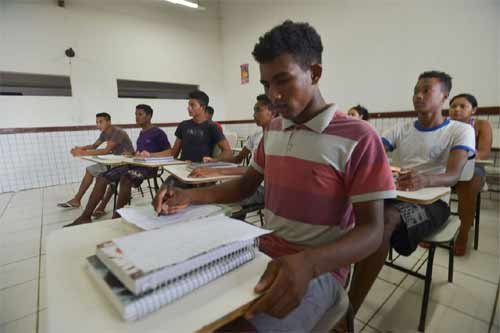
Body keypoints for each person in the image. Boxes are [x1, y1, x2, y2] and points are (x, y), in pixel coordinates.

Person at [154, 20, 395, 332]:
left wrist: (311, 262)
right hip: (263, 251)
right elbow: (245, 185)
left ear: (315, 73)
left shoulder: (358, 137)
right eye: (266, 85)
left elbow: (373, 231)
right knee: (193, 312)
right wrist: (191, 194)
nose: (274, 95)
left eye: (283, 81)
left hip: (320, 268)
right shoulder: (275, 130)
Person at [347, 71, 476, 321]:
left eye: (427, 90)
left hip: (435, 203)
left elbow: (452, 176)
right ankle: (337, 292)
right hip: (398, 194)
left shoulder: (459, 131)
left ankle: (348, 312)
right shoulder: (401, 129)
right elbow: (373, 152)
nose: (418, 95)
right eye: (416, 90)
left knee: (384, 219)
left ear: (444, 96)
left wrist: (425, 179)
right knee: (349, 209)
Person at [64, 104, 170, 227]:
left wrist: (150, 155)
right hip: (134, 164)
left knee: (125, 179)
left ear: (149, 116)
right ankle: (85, 216)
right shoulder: (142, 133)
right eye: (135, 114)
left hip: (149, 168)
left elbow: (169, 152)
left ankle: (117, 217)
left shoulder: (158, 133)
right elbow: (139, 153)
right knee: (102, 177)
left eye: (140, 114)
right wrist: (132, 154)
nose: (136, 117)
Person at [191, 94, 275, 208]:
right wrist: (214, 161)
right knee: (211, 190)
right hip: (247, 181)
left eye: (258, 110)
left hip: (264, 187)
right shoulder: (256, 134)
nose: (254, 115)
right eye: (254, 110)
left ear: (273, 113)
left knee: (215, 200)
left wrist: (217, 171)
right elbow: (237, 159)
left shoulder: (276, 138)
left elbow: (255, 171)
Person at [57, 112, 134, 216]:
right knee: (90, 170)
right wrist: (81, 148)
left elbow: (106, 150)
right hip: (114, 161)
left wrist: (83, 153)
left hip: (126, 162)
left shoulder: (118, 132)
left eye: (101, 122)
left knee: (110, 177)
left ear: (109, 122)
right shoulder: (104, 133)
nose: (98, 125)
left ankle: (101, 207)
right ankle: (76, 199)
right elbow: (94, 146)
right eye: (97, 122)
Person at [449, 93, 492, 255]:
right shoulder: (446, 126)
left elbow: (483, 153)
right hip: (448, 168)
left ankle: (463, 234)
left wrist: (458, 159)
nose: (457, 110)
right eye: (453, 106)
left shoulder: (481, 125)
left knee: (470, 180)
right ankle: (432, 225)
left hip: (473, 168)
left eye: (462, 106)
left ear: (473, 110)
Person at [141, 90, 232, 163]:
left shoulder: (213, 127)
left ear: (203, 107)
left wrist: (214, 160)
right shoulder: (184, 125)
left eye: (192, 105)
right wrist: (150, 155)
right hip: (182, 168)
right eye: (188, 104)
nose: (188, 108)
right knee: (166, 186)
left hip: (202, 170)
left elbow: (228, 152)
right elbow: (173, 153)